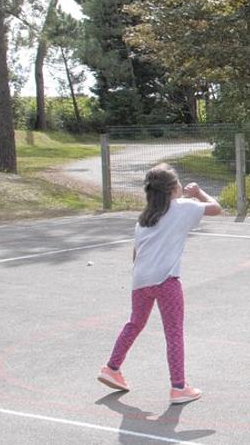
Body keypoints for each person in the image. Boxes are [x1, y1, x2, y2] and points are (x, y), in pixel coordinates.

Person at [98, 163, 221, 404]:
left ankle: (111, 368)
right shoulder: (183, 207)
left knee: (135, 323)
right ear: (174, 188)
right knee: (173, 333)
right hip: (166, 280)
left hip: (140, 280)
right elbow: (216, 208)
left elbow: (136, 254)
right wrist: (198, 193)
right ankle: (179, 387)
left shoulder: (144, 219)